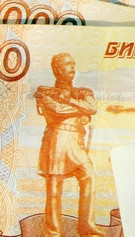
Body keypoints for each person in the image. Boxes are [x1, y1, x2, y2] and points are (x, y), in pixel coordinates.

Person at [34, 53, 103, 237]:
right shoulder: (44, 92)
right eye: (67, 64)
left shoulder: (83, 92)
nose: (72, 67)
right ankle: (53, 232)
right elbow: (57, 110)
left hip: (76, 141)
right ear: (57, 70)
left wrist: (70, 100)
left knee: (88, 175)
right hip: (57, 139)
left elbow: (92, 108)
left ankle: (86, 226)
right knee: (54, 186)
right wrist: (80, 110)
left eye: (73, 63)